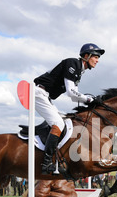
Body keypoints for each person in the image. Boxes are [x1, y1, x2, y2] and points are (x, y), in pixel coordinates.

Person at [34, 43, 105, 174]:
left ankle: (54, 159)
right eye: (95, 57)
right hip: (39, 93)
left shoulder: (79, 71)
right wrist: (91, 99)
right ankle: (46, 163)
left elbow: (74, 97)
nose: (97, 60)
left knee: (65, 122)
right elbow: (71, 93)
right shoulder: (73, 64)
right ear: (86, 56)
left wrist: (91, 101)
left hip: (46, 96)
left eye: (98, 58)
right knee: (58, 123)